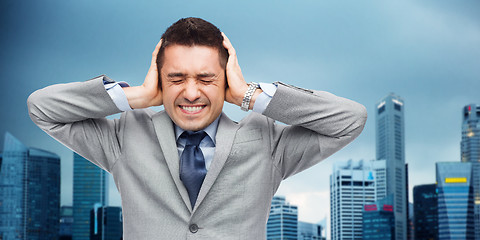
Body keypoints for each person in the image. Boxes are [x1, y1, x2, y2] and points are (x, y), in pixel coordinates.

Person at [28, 17, 367, 239]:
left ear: (225, 81)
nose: (191, 92)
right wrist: (137, 96)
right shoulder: (126, 136)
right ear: (160, 80)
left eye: (206, 79)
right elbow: (42, 108)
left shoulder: (267, 142)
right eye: (176, 79)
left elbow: (349, 119)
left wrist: (250, 96)